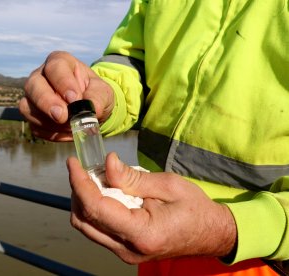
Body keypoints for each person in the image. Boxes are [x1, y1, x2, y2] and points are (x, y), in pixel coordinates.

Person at [19, 0, 289, 275]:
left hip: (262, 258)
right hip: (149, 234)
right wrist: (100, 95)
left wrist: (236, 228)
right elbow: (130, 61)